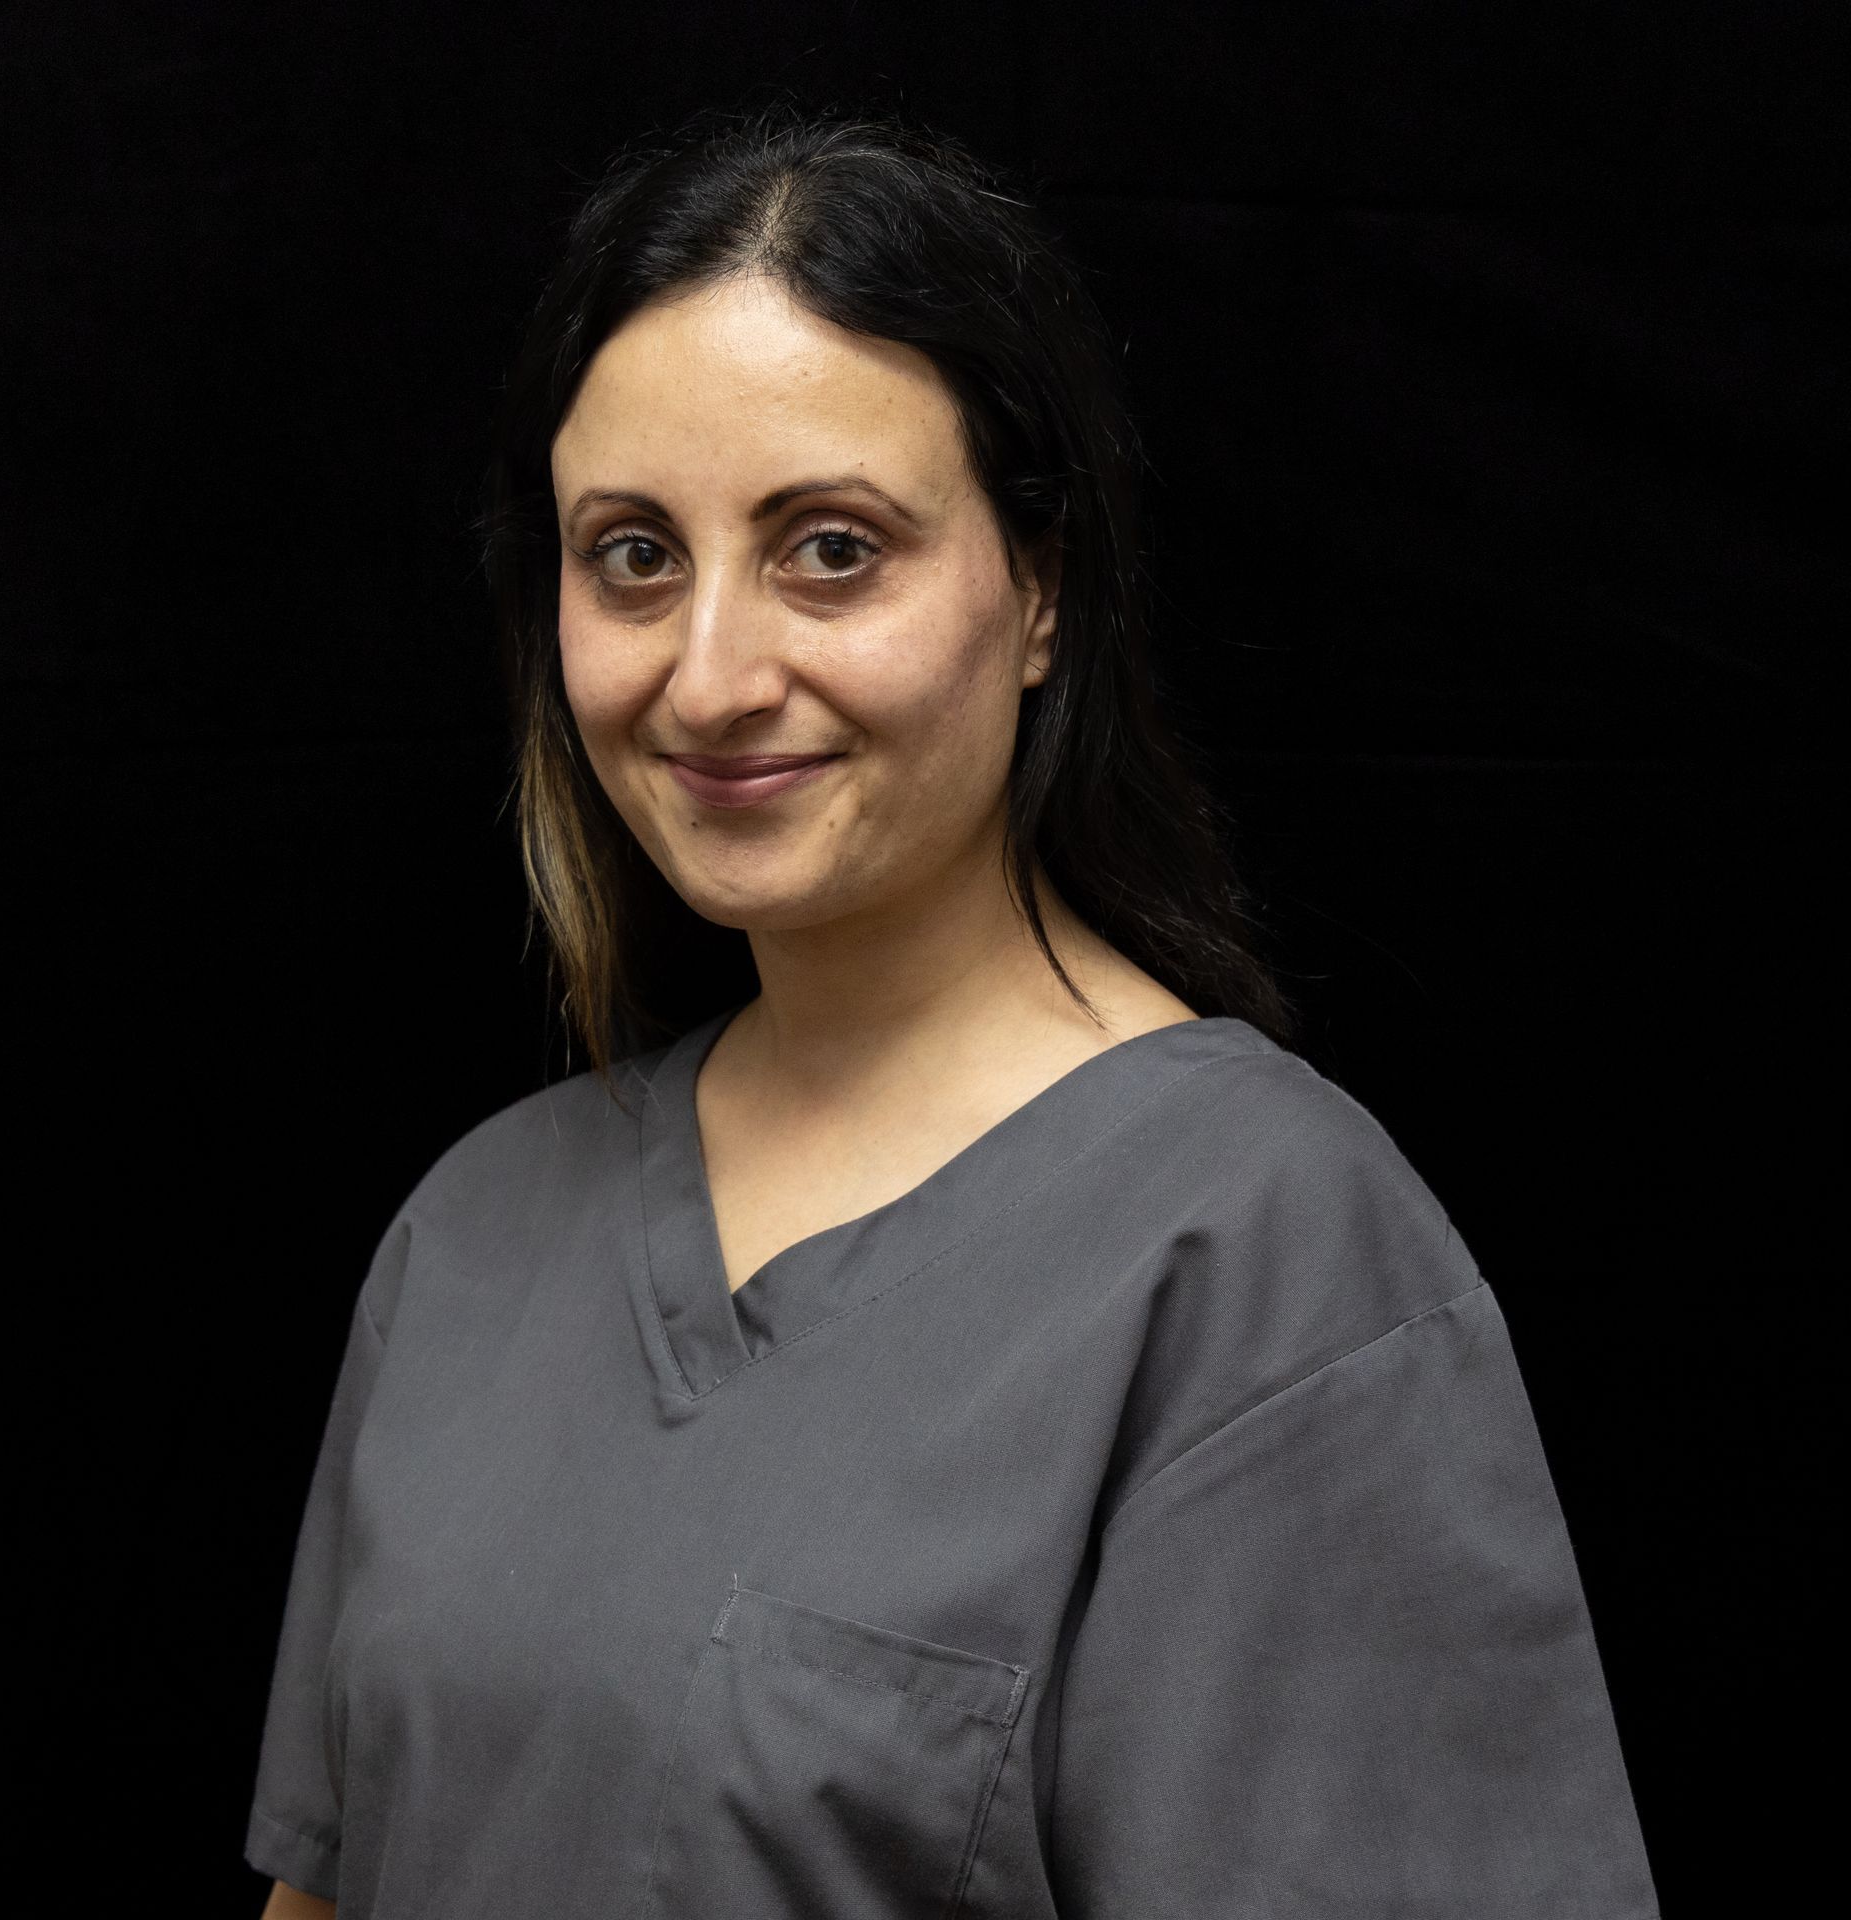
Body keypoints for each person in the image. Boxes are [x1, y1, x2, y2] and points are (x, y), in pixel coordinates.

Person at [246, 101, 1660, 1919]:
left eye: (832, 546)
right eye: (633, 554)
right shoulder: (476, 1235)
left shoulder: (1259, 1258)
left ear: (1043, 588)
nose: (712, 676)